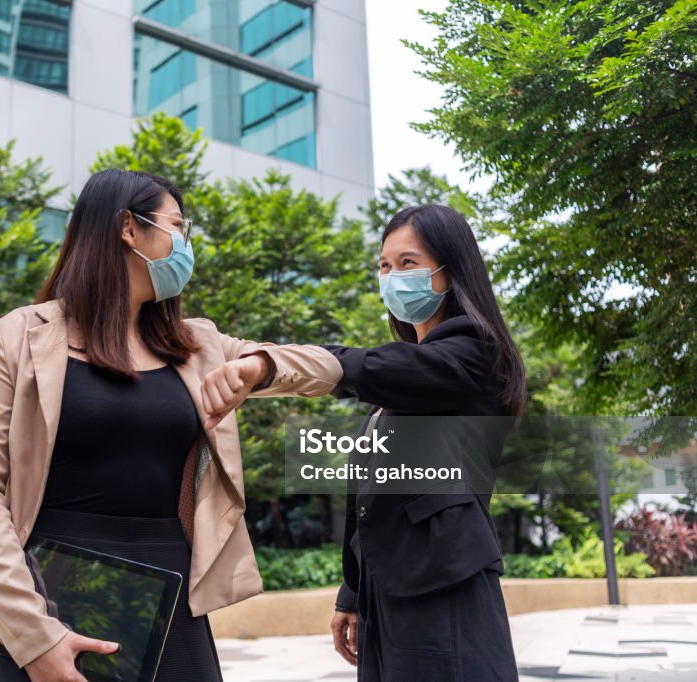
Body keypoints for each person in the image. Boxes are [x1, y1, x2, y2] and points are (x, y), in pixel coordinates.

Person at [0, 168, 342, 682]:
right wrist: (33, 633)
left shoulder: (196, 344)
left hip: (168, 598)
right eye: (178, 225)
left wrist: (257, 366)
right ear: (129, 228)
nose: (185, 242)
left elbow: (326, 368)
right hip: (44, 595)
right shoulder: (22, 334)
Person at [202, 205, 525, 681]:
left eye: (409, 263)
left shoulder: (474, 352)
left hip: (443, 585)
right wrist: (353, 592)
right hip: (386, 593)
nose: (393, 277)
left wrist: (270, 366)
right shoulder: (408, 377)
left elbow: (371, 367)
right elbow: (374, 495)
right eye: (385, 265)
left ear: (450, 272)